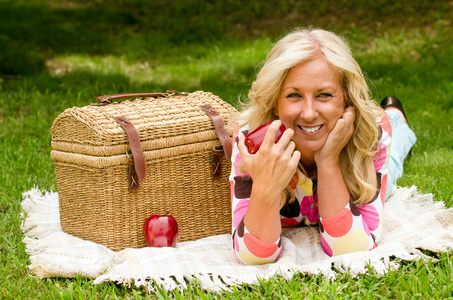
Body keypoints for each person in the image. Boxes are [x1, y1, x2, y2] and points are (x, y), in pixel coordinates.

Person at [228, 28, 417, 265]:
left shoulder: (371, 134)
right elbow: (253, 257)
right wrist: (266, 184)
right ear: (274, 101)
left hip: (365, 143)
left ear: (347, 99)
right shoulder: (251, 141)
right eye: (294, 95)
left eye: (324, 95)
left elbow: (352, 250)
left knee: (395, 160)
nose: (308, 113)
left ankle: (396, 116)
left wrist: (328, 161)